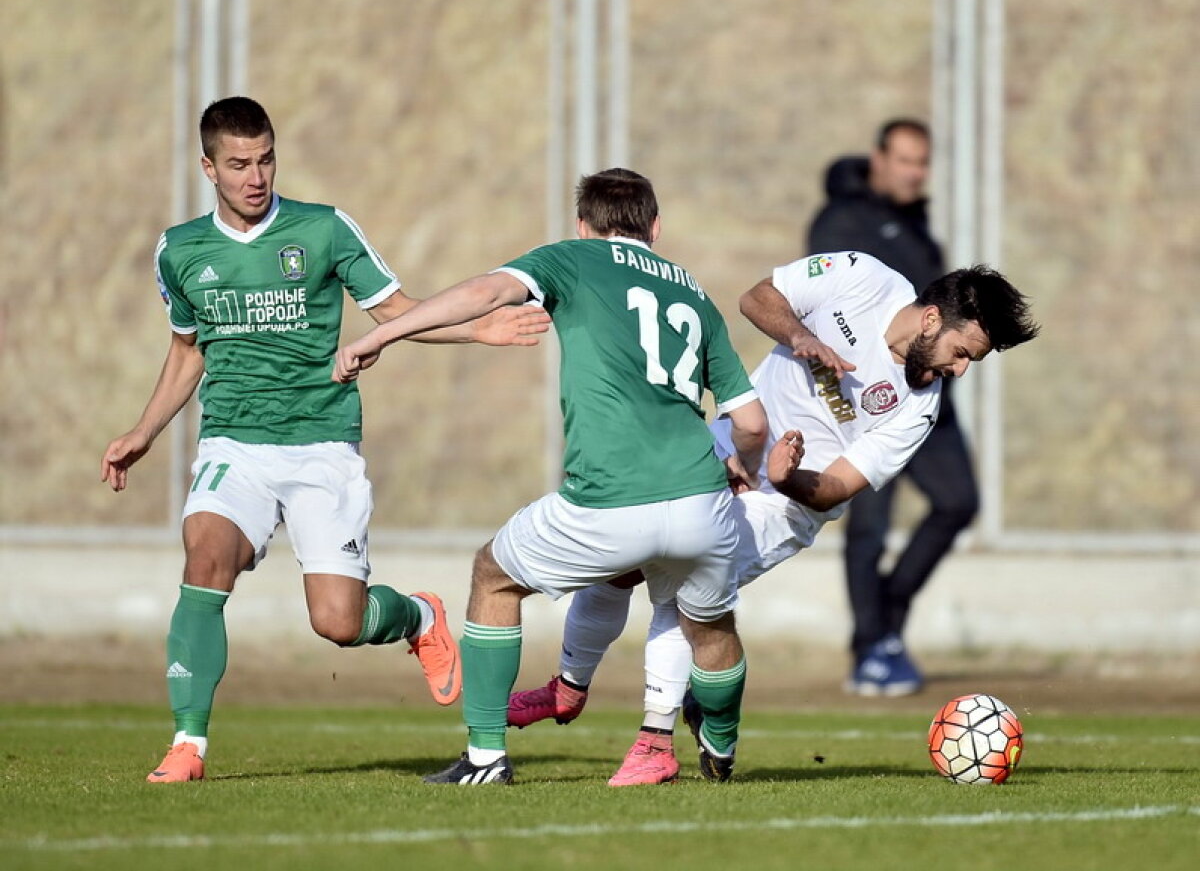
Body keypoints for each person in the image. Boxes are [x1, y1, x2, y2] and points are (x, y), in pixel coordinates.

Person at [100, 96, 550, 784]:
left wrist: (475, 328)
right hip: (235, 444)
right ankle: (188, 743)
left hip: (322, 445)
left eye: (266, 159)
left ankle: (415, 615)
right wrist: (144, 428)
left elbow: (396, 311)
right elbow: (188, 349)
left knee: (338, 621)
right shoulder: (180, 250)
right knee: (205, 554)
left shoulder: (323, 229)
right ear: (207, 168)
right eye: (239, 164)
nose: (256, 176)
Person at [507, 253, 1039, 786]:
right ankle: (570, 688)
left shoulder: (919, 407)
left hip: (785, 506)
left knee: (682, 580)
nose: (960, 369)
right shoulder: (864, 276)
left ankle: (656, 743)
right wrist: (800, 335)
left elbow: (835, 488)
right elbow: (756, 298)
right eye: (962, 352)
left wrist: (787, 479)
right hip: (729, 443)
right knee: (622, 558)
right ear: (930, 320)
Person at [332, 167, 770, 785]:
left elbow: (487, 293)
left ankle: (485, 758)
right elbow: (750, 421)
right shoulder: (695, 293)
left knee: (494, 575)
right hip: (702, 498)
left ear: (583, 225)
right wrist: (741, 471)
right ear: (656, 227)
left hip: (611, 498)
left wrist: (389, 331)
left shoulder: (573, 257)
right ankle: (721, 747)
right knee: (711, 626)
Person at [807, 118, 978, 695]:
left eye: (923, 162)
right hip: (870, 399)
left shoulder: (915, 222)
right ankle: (870, 649)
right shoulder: (841, 221)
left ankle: (888, 616)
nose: (915, 172)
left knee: (959, 502)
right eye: (905, 160)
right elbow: (827, 306)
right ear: (878, 158)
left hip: (931, 396)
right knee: (869, 526)